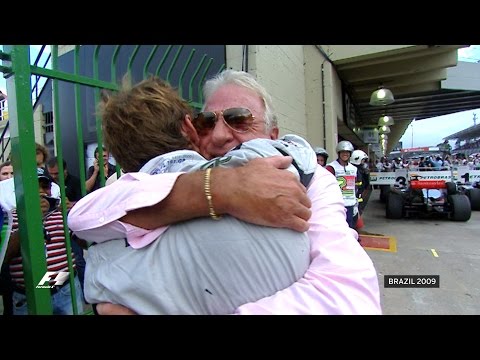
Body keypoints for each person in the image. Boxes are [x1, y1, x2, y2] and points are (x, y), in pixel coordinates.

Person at [69, 70, 381, 315]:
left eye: (239, 119)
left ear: (273, 135)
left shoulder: (310, 180)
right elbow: (83, 217)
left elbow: (350, 300)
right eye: (206, 122)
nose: (219, 135)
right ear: (191, 130)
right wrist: (219, 189)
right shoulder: (143, 184)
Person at [5, 174, 84, 315]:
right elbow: (5, 255)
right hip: (28, 295)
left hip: (65, 289)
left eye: (45, 186)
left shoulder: (59, 213)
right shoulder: (11, 218)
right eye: (34, 187)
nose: (41, 191)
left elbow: (83, 242)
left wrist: (75, 215)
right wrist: (32, 219)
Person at [46, 156, 87, 295]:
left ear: (65, 170)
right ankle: (52, 293)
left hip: (71, 227)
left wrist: (72, 205)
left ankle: (84, 293)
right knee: (54, 263)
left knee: (78, 260)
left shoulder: (75, 181)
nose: (53, 176)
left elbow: (85, 202)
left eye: (56, 173)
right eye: (50, 173)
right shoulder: (46, 183)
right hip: (52, 230)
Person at [326, 141, 358, 229]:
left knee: (350, 227)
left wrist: (356, 203)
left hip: (350, 203)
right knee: (337, 227)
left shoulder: (354, 169)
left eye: (347, 152)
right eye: (343, 152)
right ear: (339, 153)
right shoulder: (331, 167)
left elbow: (355, 186)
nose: (345, 154)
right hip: (336, 203)